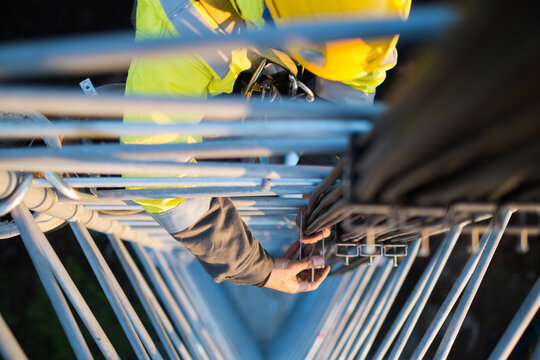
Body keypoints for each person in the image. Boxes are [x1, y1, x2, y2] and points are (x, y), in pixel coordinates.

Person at [123, 0, 410, 293]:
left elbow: (357, 75)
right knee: (221, 153)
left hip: (263, 43)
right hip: (204, 62)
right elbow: (155, 173)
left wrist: (324, 168)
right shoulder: (182, 23)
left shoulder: (378, 17)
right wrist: (253, 267)